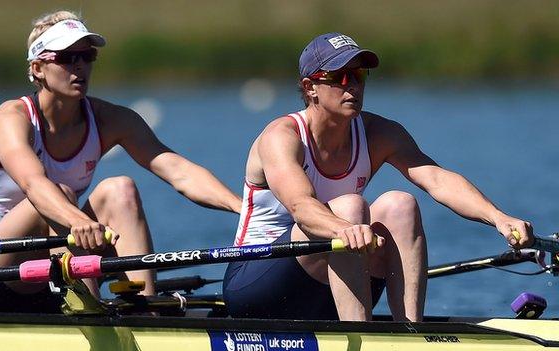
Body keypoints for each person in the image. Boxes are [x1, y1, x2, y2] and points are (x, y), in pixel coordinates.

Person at [223, 32, 533, 322]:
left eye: (358, 76)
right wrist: (346, 229)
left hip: (334, 279)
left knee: (401, 205)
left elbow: (438, 179)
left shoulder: (379, 133)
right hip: (257, 283)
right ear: (309, 88)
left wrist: (498, 218)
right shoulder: (282, 137)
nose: (353, 87)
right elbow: (301, 208)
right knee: (351, 208)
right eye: (341, 77)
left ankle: (410, 332)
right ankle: (362, 335)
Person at [0, 10, 241, 312]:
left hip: (55, 262)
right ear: (38, 67)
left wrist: (244, 208)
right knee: (60, 193)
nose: (79, 66)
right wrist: (78, 220)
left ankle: (147, 309)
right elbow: (33, 183)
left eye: (87, 56)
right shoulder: (12, 118)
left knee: (121, 190)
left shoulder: (111, 120)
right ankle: (89, 307)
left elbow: (179, 171)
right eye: (67, 58)